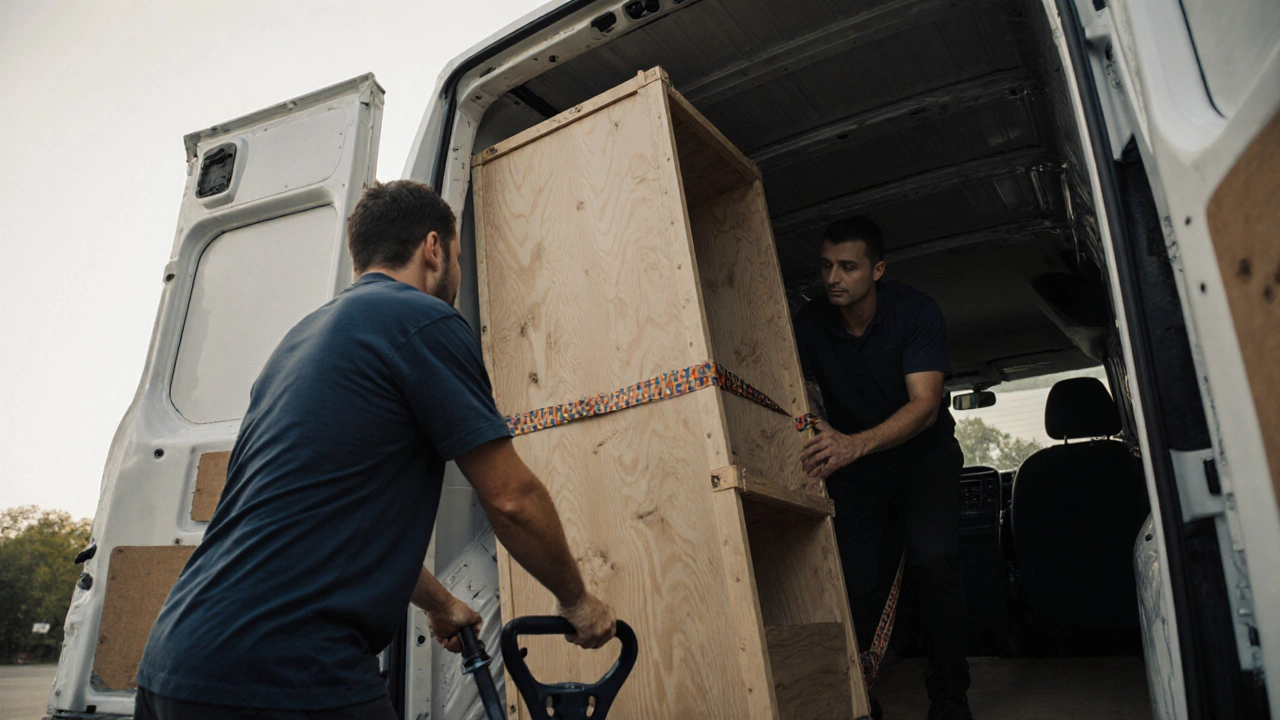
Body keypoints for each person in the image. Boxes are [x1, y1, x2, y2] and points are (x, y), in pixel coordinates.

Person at [135, 180, 615, 719]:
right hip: (287, 668)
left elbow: (323, 520)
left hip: (175, 661)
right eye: (458, 257)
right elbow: (512, 500)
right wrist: (578, 601)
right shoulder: (423, 319)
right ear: (433, 248)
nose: (457, 273)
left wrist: (441, 604)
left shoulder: (296, 344)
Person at [793, 216, 970, 720]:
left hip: (922, 457)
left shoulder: (915, 312)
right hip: (854, 465)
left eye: (848, 267)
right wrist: (822, 428)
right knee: (850, 581)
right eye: (826, 266)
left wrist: (855, 445)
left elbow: (926, 405)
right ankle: (858, 699)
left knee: (933, 562)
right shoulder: (810, 323)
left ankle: (950, 699)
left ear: (877, 270)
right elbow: (803, 393)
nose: (833, 278)